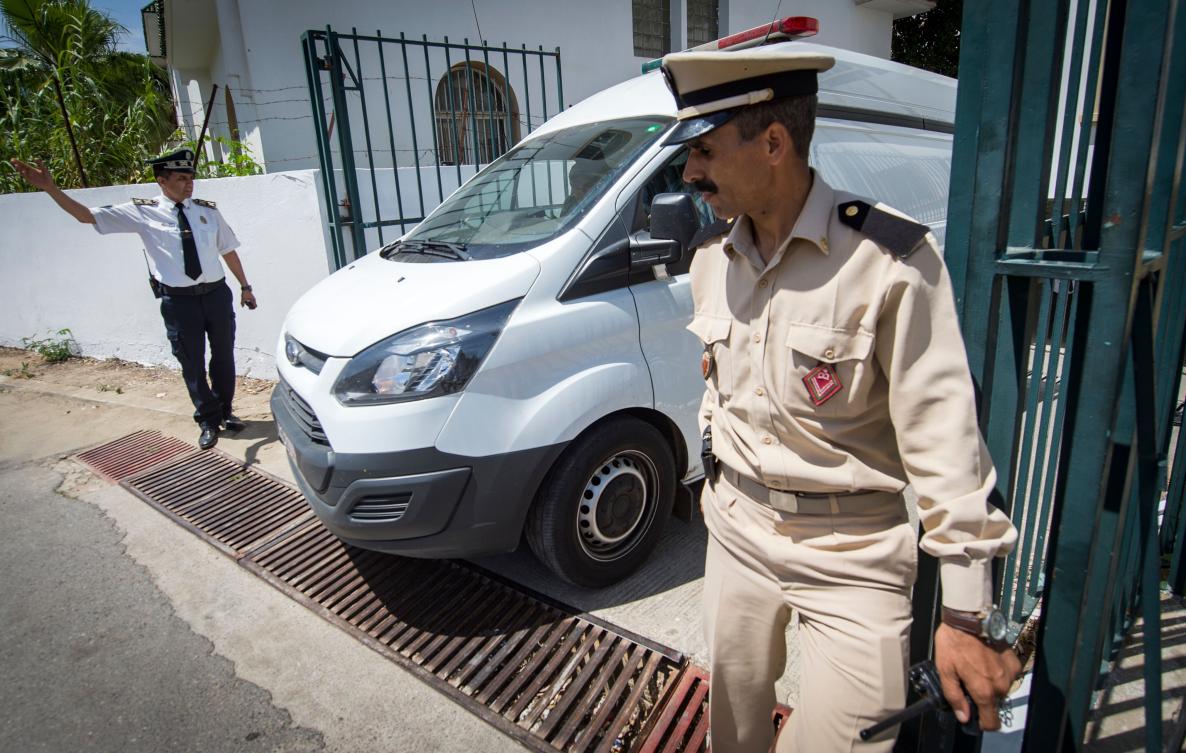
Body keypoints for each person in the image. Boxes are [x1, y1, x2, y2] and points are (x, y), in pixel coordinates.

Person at [662, 50, 1022, 752]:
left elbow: (945, 441)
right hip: (736, 532)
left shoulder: (889, 260)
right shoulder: (712, 255)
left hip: (854, 551)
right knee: (732, 733)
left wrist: (965, 616)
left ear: (774, 143)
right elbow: (719, 386)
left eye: (703, 149)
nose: (689, 173)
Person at [10, 149, 257, 450]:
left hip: (216, 295)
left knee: (223, 356)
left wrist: (245, 286)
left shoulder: (208, 211)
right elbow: (86, 216)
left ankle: (225, 411)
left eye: (190, 177)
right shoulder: (143, 211)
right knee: (191, 362)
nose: (189, 183)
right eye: (181, 178)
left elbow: (228, 249)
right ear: (161, 181)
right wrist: (50, 188)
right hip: (179, 302)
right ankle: (207, 419)